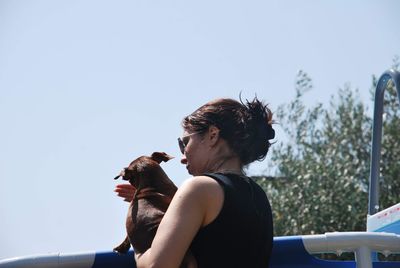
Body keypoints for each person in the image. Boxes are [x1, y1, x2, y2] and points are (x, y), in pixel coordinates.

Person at [115, 97, 274, 268]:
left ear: (213, 135)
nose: (183, 157)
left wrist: (139, 248)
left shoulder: (198, 189)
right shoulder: (259, 196)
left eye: (185, 143)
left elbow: (158, 265)